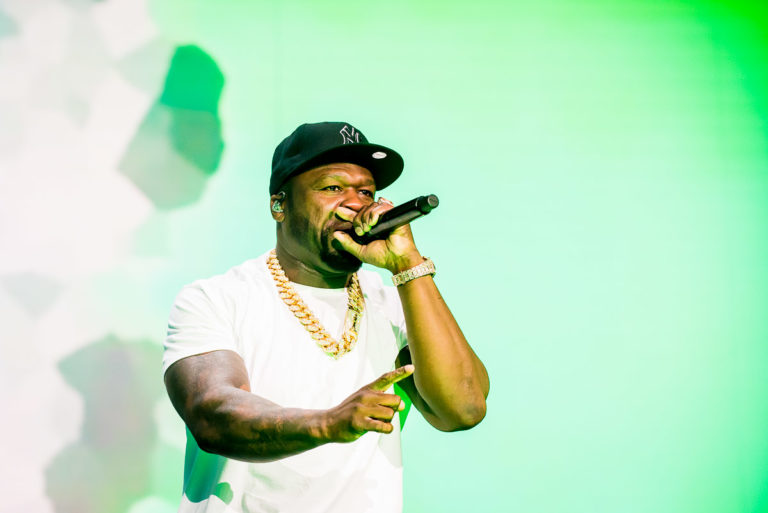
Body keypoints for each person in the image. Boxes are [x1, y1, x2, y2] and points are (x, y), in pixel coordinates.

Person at [163, 121, 490, 513]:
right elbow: (212, 414)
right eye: (333, 188)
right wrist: (329, 423)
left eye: (366, 192)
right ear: (279, 205)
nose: (355, 203)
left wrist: (408, 264)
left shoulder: (394, 305)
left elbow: (463, 409)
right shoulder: (217, 298)